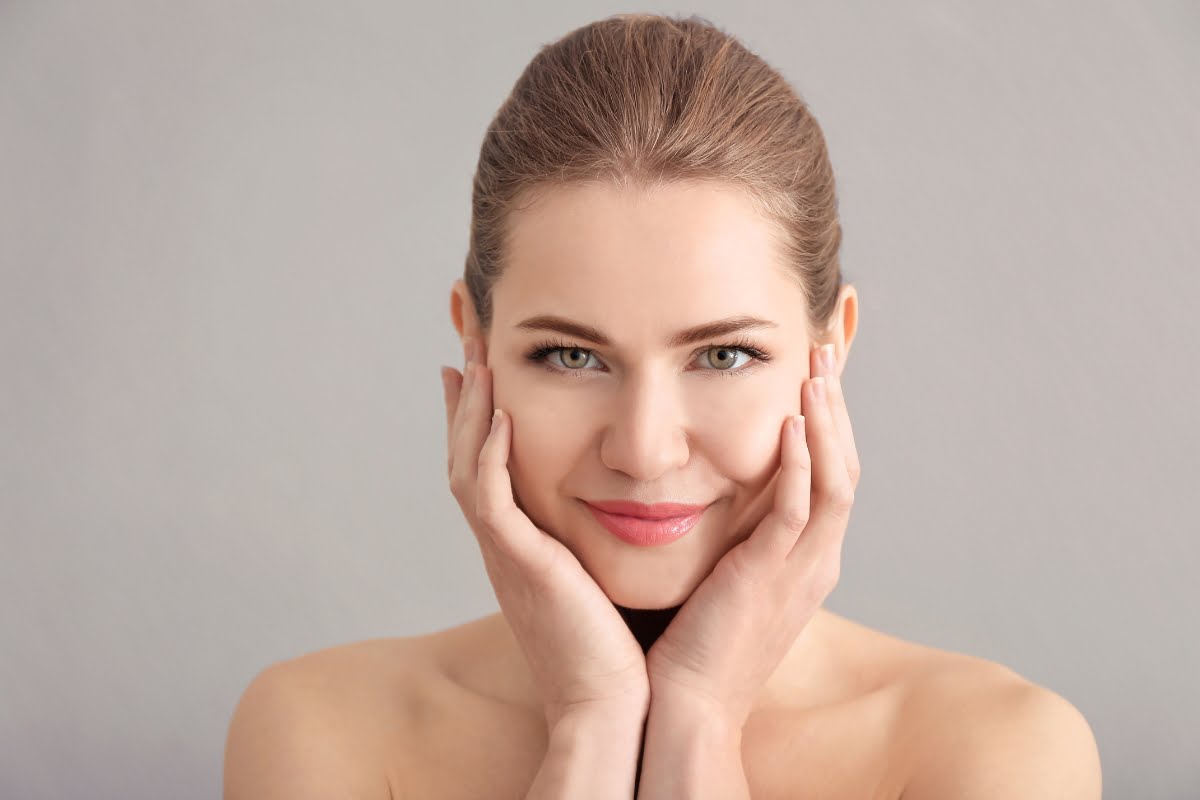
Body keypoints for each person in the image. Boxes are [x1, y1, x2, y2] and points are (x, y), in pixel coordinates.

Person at [223, 13, 1102, 799]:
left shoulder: (995, 757)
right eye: (571, 356)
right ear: (475, 345)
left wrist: (702, 720)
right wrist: (593, 722)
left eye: (724, 355)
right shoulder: (322, 735)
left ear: (829, 351)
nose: (644, 451)